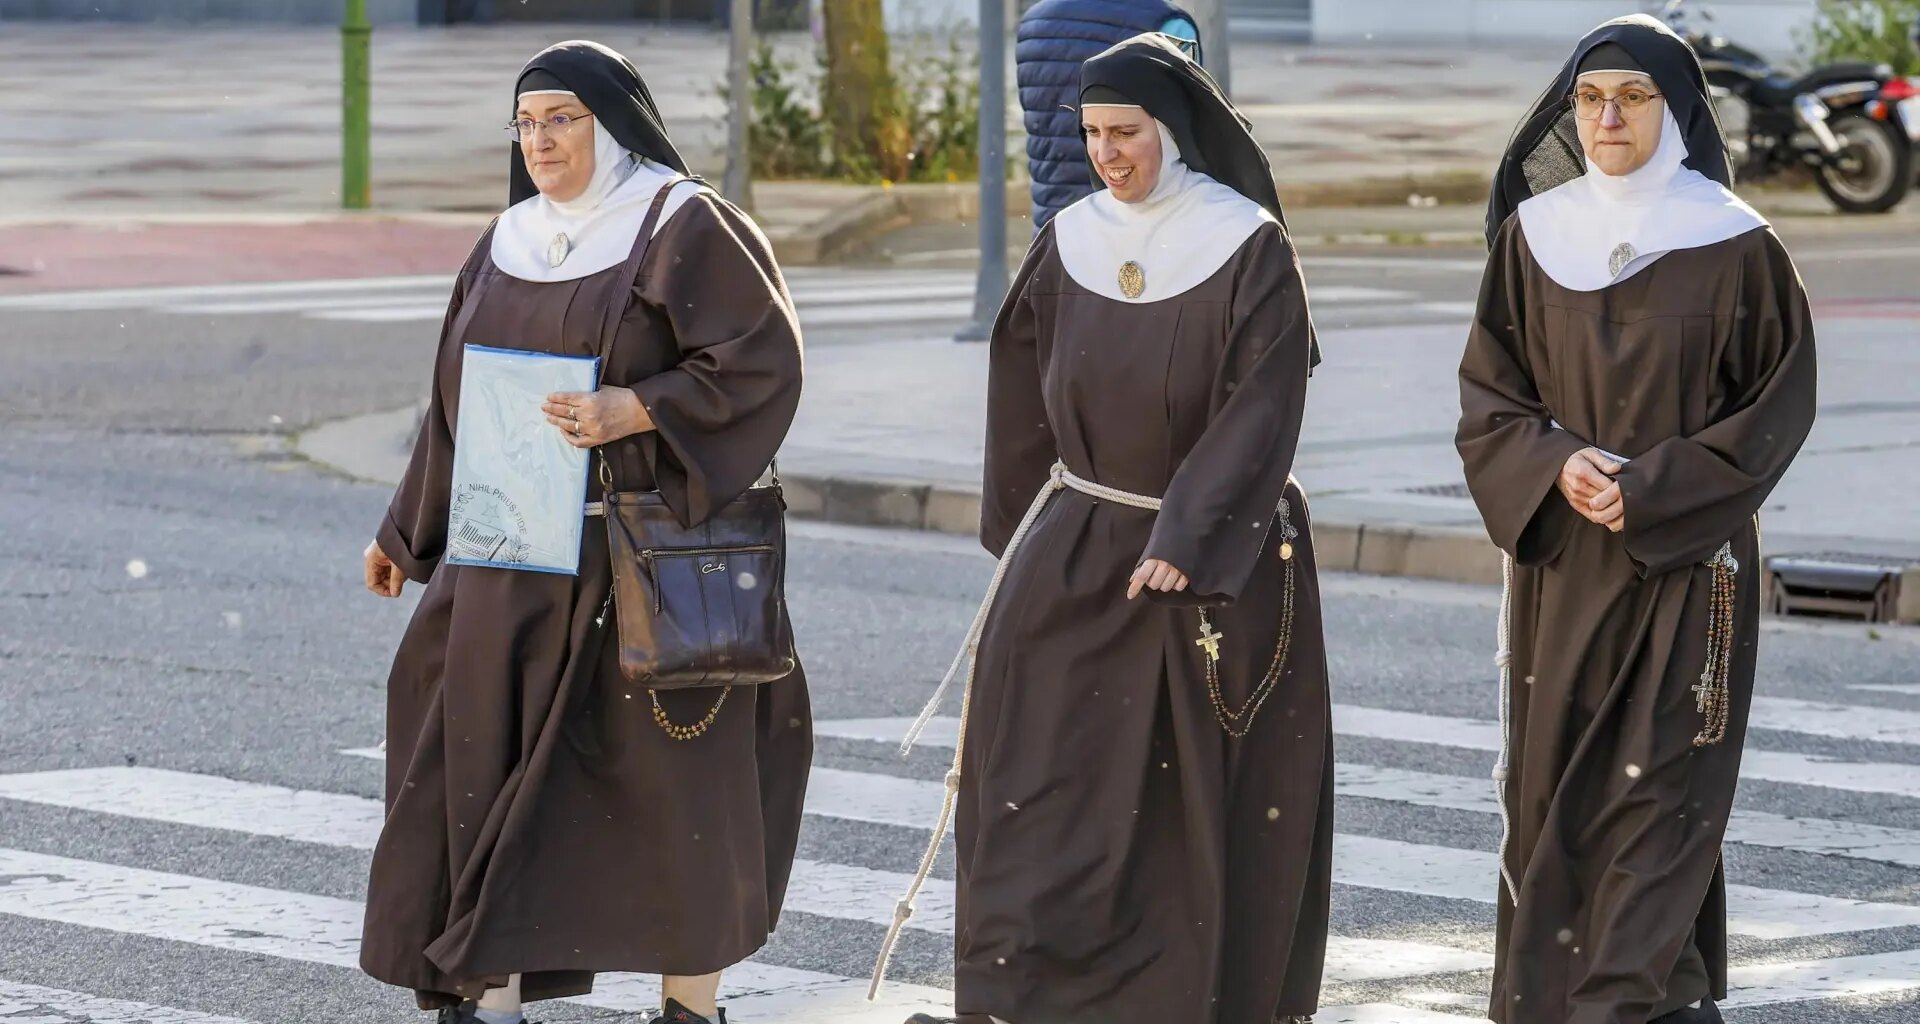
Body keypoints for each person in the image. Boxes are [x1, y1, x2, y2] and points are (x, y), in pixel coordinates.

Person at [357, 40, 811, 1024]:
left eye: (560, 117)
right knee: (486, 771)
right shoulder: (509, 238)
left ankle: (690, 1008)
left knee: (674, 796)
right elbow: (456, 404)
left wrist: (635, 408)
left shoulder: (682, 225)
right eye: (525, 123)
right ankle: (494, 998)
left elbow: (761, 360)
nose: (539, 140)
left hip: (636, 563)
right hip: (508, 554)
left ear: (611, 120)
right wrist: (407, 532)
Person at [881, 33, 1332, 1024]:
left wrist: (1190, 534)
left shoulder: (1247, 245)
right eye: (1089, 135)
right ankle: (1023, 994)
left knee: (1178, 809)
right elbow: (1021, 395)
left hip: (1210, 564)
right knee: (1033, 789)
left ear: (1170, 131)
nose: (1107, 155)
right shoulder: (1071, 238)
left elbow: (1261, 406)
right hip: (1079, 546)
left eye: (1124, 133)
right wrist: (1028, 535)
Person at [1457, 15, 1816, 1024]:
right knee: (1558, 792)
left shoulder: (1736, 244)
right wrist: (1556, 462)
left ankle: (1623, 1002)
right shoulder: (1534, 238)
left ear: (1679, 111)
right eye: (1590, 98)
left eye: (1634, 97)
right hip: (1563, 567)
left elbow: (1777, 405)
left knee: (1660, 790)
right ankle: (1627, 995)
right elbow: (1491, 395)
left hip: (1689, 564)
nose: (1608, 117)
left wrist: (1655, 489)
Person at [1016, 0, 1200, 227]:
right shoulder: (1166, 23)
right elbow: (1190, 125)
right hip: (1147, 222)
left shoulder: (1034, 22)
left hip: (1055, 222)